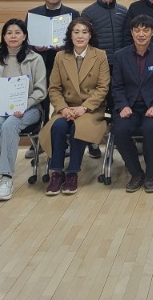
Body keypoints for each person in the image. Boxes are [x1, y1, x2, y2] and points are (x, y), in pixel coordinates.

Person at [0, 18, 47, 202]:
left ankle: (6, 178)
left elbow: (40, 90)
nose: (13, 36)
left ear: (24, 36)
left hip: (28, 109)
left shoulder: (35, 58)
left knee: (10, 126)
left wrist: (25, 104)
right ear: (3, 36)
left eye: (17, 32)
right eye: (9, 33)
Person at [39, 17, 110, 195]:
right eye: (76, 32)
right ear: (70, 35)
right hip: (66, 108)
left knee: (79, 126)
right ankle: (56, 172)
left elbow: (103, 88)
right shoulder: (60, 56)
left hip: (91, 109)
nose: (80, 36)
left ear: (90, 35)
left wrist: (84, 108)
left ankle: (72, 173)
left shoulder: (100, 55)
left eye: (84, 32)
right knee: (59, 125)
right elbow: (54, 88)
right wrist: (63, 109)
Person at [111, 15, 153, 193]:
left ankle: (151, 174)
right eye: (137, 30)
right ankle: (136, 172)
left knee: (150, 129)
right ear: (131, 32)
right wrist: (123, 106)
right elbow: (117, 86)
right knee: (120, 130)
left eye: (145, 30)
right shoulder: (120, 56)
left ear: (152, 32)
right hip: (129, 106)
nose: (141, 34)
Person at [25, 0, 80, 159]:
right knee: (41, 103)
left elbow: (79, 40)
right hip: (40, 65)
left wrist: (65, 46)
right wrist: (35, 47)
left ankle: (65, 139)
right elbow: (27, 42)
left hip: (65, 65)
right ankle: (39, 141)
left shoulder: (72, 14)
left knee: (63, 103)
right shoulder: (33, 14)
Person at [82, 0, 127, 159]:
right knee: (97, 104)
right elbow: (85, 41)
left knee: (117, 102)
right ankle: (92, 142)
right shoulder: (88, 12)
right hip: (98, 66)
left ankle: (118, 137)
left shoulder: (124, 11)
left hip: (121, 66)